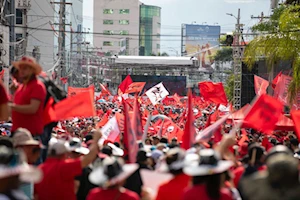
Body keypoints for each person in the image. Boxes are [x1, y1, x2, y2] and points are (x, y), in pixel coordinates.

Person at [34, 130, 102, 200]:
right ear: (64, 154)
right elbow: (88, 159)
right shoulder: (64, 167)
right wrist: (96, 140)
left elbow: (35, 195)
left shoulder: (40, 169)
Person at [9, 56, 46, 136]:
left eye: (25, 68)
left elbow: (33, 108)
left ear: (32, 70)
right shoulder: (21, 87)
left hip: (30, 133)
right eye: (20, 68)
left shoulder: (37, 86)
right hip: (17, 131)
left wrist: (11, 106)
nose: (21, 71)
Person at [13, 128, 43, 200]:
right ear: (19, 147)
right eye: (28, 147)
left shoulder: (27, 166)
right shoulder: (11, 168)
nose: (31, 150)